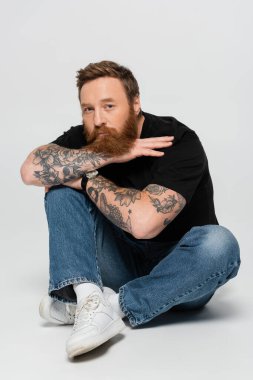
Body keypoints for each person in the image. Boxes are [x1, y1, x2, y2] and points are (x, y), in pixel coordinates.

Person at [20, 60, 241, 359]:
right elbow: (30, 171)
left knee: (221, 244)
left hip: (182, 271)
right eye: (88, 109)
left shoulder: (177, 140)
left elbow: (143, 224)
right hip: (119, 260)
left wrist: (84, 181)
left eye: (109, 106)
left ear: (135, 103)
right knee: (59, 189)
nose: (97, 119)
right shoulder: (91, 138)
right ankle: (88, 298)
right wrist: (107, 154)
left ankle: (110, 307)